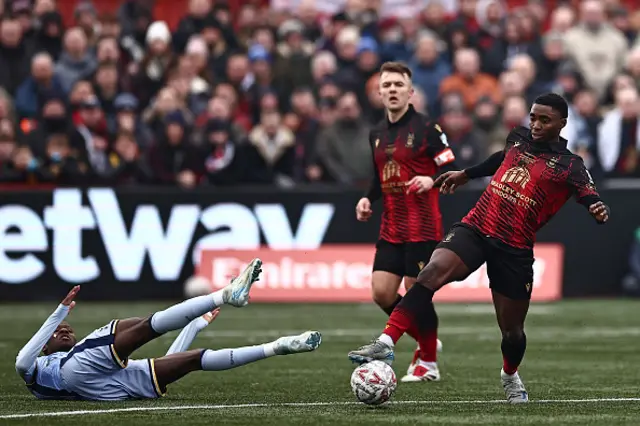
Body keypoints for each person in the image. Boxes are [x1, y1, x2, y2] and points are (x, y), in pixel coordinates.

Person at [348, 93, 610, 403]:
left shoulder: (570, 165)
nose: (536, 125)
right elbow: (501, 158)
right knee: (429, 274)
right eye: (533, 117)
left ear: (562, 124)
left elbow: (587, 192)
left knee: (512, 333)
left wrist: (596, 206)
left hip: (514, 247)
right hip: (477, 226)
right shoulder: (518, 138)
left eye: (545, 120)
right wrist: (466, 174)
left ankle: (510, 374)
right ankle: (386, 341)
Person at [15, 259, 322, 401]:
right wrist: (60, 311)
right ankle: (225, 295)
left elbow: (165, 358)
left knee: (190, 359)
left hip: (103, 390)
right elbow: (21, 360)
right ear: (45, 347)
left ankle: (278, 346)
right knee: (144, 325)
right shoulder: (39, 367)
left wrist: (195, 327)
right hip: (76, 376)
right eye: (58, 334)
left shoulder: (71, 364)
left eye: (66, 329)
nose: (64, 330)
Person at [355, 61, 457, 383]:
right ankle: (425, 339)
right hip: (391, 226)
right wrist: (368, 198)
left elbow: (451, 167)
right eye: (387, 85)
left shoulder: (428, 128)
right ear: (379, 93)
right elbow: (378, 176)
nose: (392, 90)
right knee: (382, 293)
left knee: (416, 293)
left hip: (423, 226)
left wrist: (432, 180)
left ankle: (428, 362)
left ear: (410, 92)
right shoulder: (376, 133)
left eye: (398, 85)